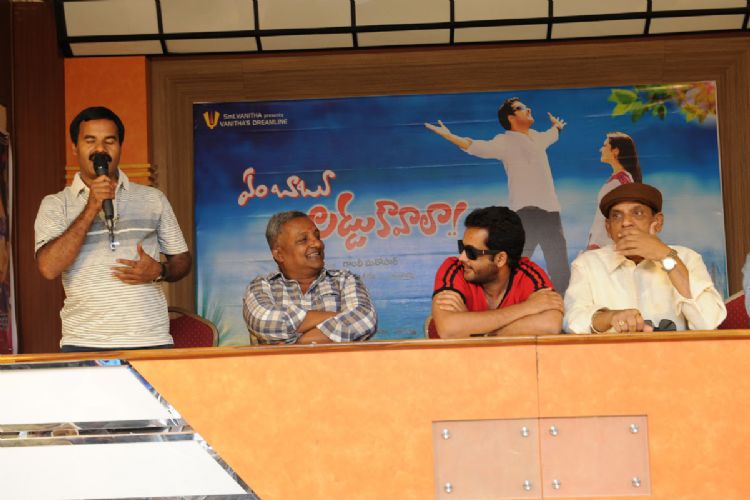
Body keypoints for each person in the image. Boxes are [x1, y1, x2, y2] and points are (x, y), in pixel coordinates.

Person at [34, 106, 192, 351]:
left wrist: (160, 270)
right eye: (90, 140)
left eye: (109, 141)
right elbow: (48, 268)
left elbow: (182, 260)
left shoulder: (153, 199)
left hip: (150, 340)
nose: (100, 149)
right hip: (84, 342)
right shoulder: (55, 204)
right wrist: (90, 208)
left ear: (120, 146)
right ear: (75, 147)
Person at [425, 97, 570, 294]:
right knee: (514, 269)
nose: (528, 109)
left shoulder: (537, 137)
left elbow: (552, 135)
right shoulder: (504, 142)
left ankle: (563, 308)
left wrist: (557, 126)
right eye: (521, 108)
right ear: (511, 118)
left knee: (560, 268)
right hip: (525, 215)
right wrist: (449, 136)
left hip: (550, 213)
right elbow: (475, 146)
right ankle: (512, 305)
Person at [564, 183, 725, 334]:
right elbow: (572, 322)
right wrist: (610, 317)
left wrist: (665, 255)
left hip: (676, 354)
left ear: (658, 222)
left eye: (637, 213)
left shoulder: (686, 258)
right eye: (617, 216)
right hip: (613, 354)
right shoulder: (588, 264)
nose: (626, 222)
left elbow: (708, 322)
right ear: (608, 227)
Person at [243, 211, 377, 344]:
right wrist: (340, 318)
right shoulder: (261, 286)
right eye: (303, 240)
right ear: (279, 255)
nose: (318, 244)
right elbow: (262, 322)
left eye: (317, 236)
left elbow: (364, 318)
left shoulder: (345, 280)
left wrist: (299, 343)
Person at [430, 206, 563, 338]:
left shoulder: (528, 273)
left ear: (500, 259)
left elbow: (550, 326)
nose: (462, 257)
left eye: (471, 252)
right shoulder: (454, 268)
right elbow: (449, 330)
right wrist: (526, 308)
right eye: (462, 247)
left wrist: (473, 330)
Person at [587, 132, 642, 250]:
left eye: (605, 146)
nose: (601, 149)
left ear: (615, 151)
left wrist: (596, 244)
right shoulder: (620, 179)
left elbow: (615, 217)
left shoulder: (619, 182)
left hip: (605, 246)